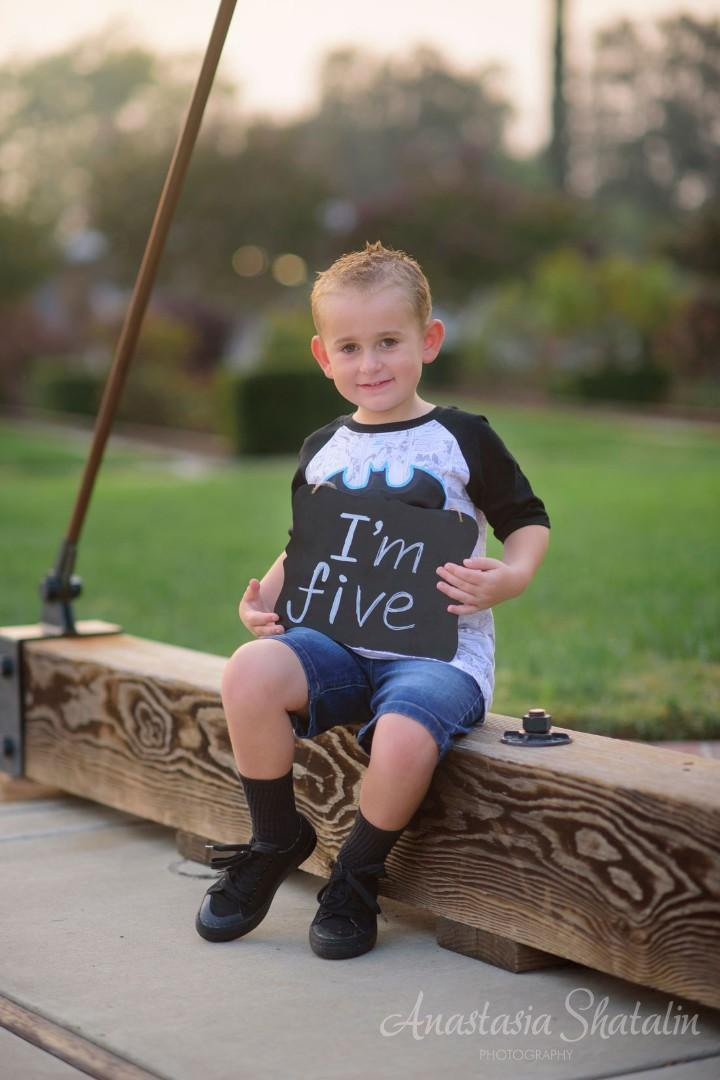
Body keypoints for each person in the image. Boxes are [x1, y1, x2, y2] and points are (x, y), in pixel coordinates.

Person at [196, 241, 550, 960]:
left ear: (429, 340)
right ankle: (275, 838)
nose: (371, 365)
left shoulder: (461, 437)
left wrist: (511, 577)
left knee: (404, 736)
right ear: (323, 357)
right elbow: (312, 543)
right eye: (350, 348)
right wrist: (267, 596)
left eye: (388, 342)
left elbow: (526, 522)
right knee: (248, 671)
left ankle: (356, 873)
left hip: (436, 652)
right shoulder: (323, 447)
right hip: (337, 642)